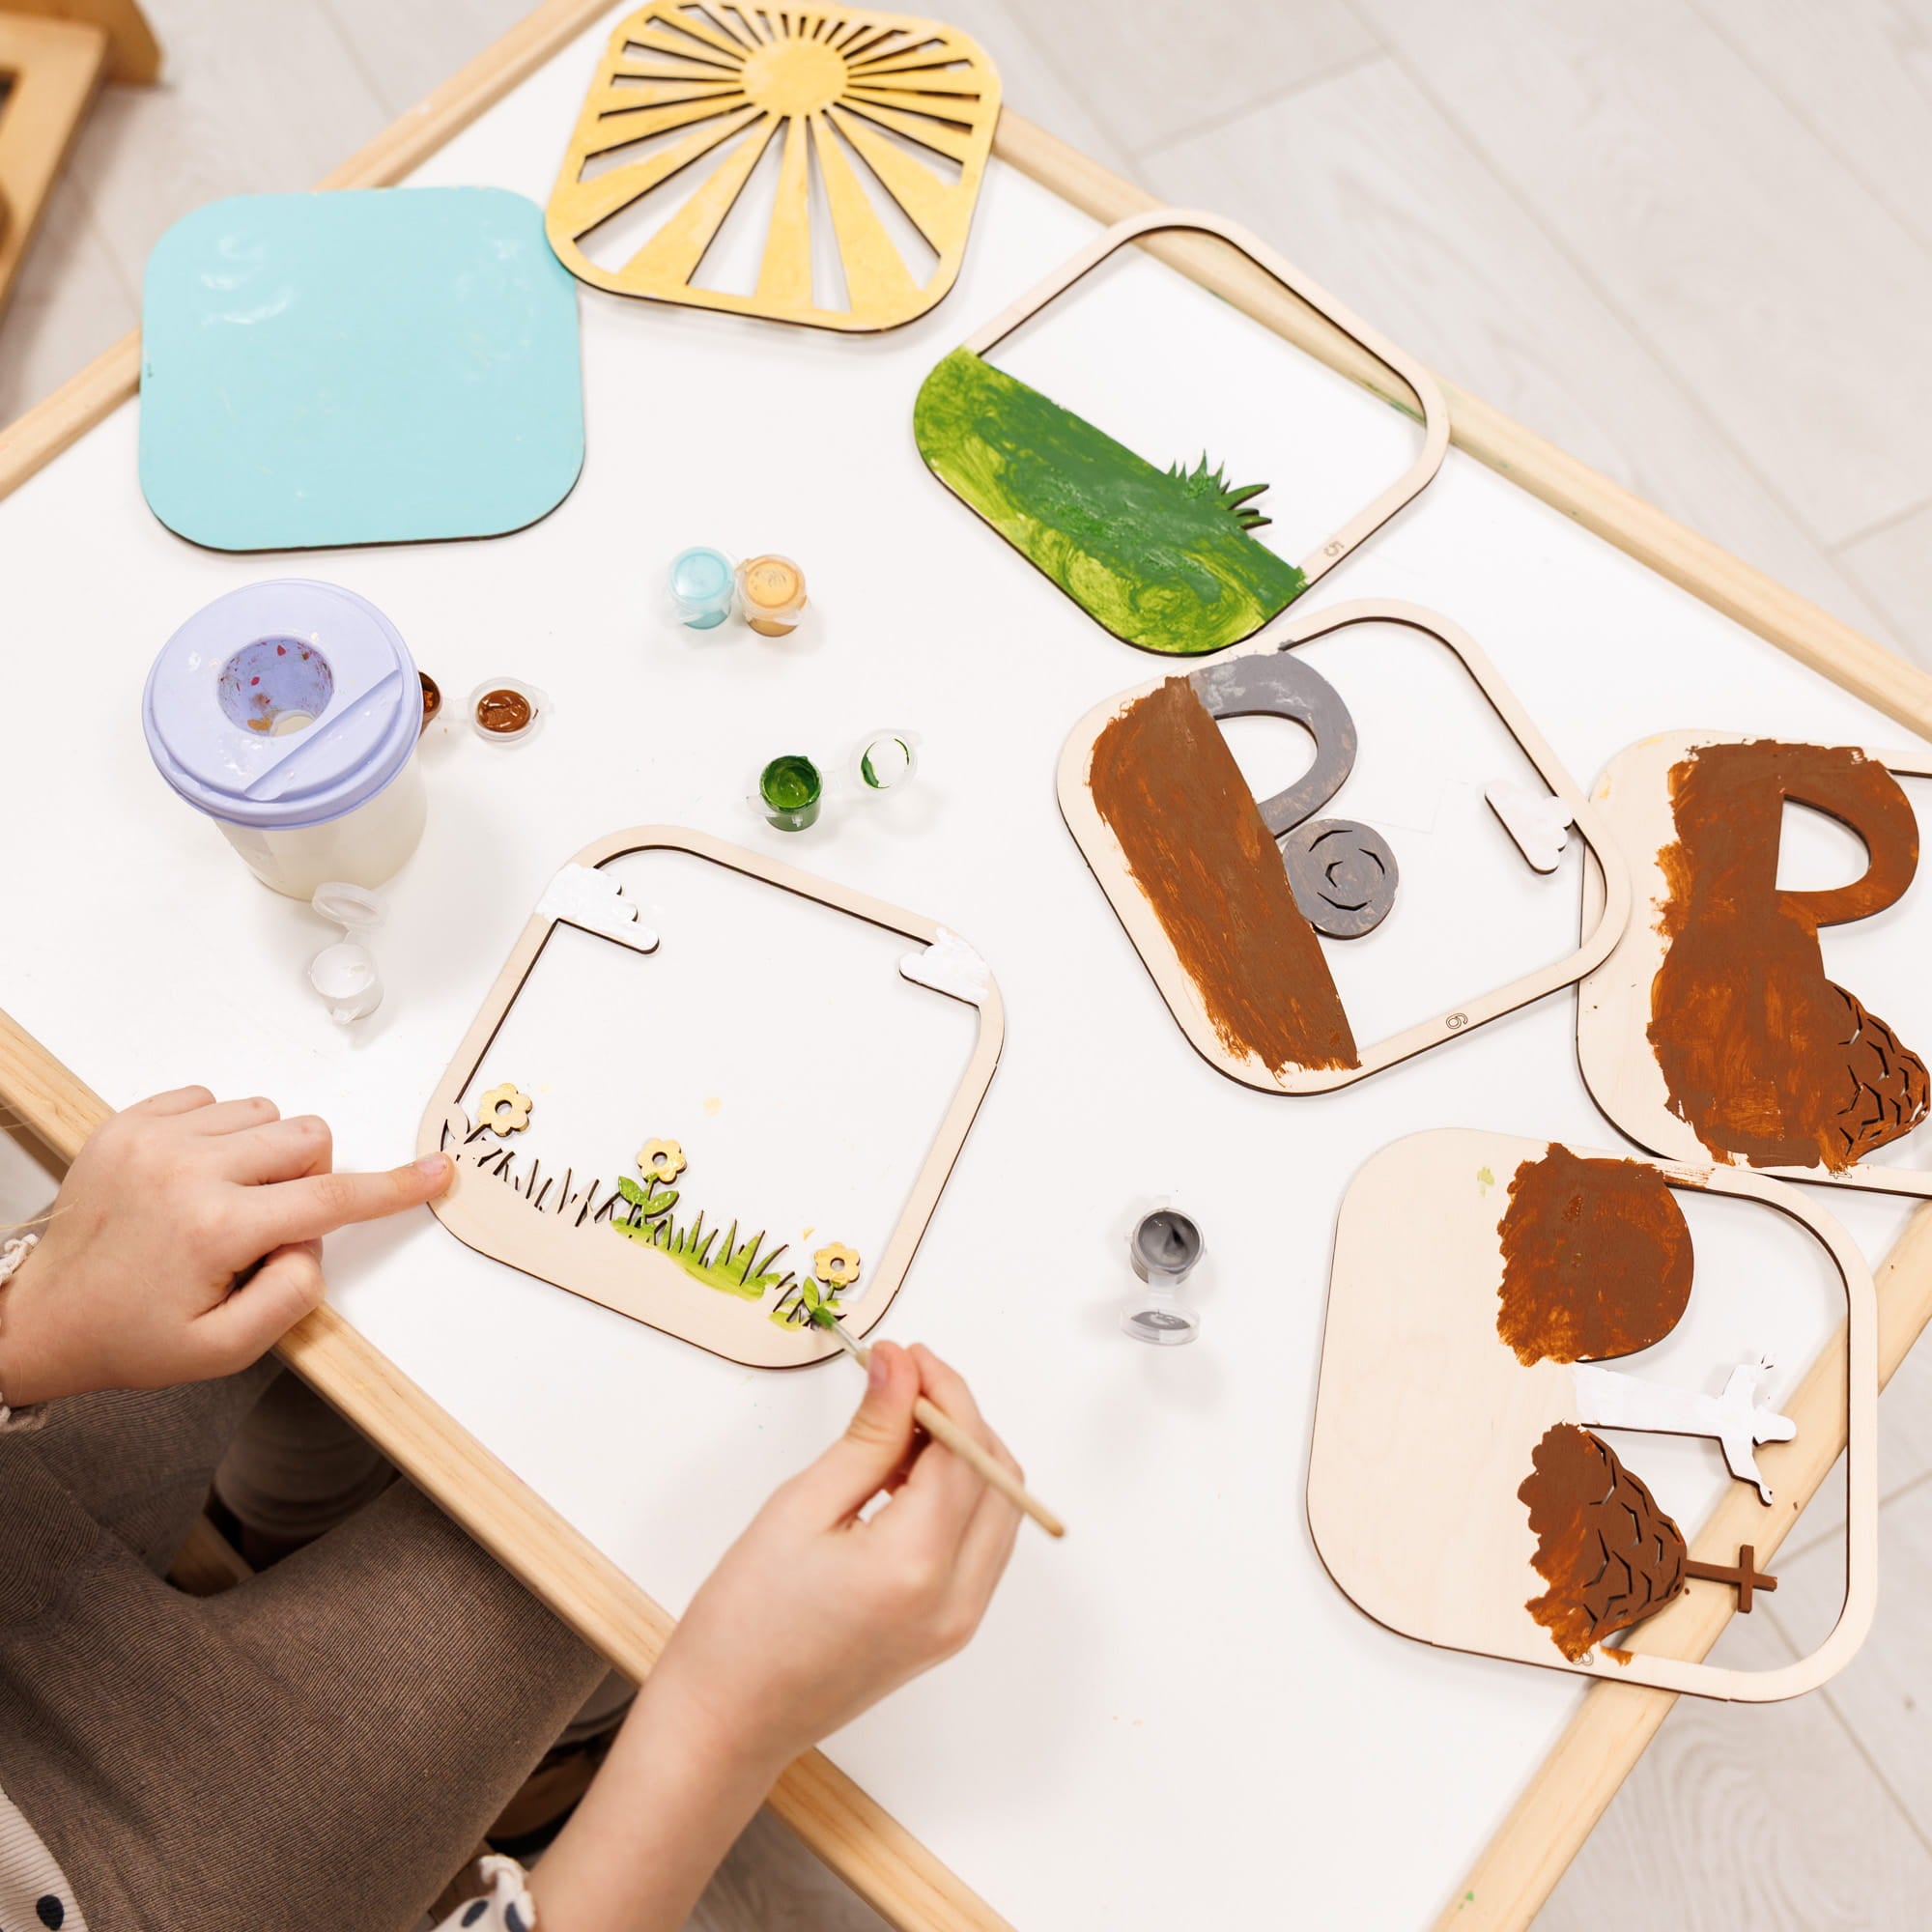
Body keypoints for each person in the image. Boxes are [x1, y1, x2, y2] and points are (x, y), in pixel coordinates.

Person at [0, 1087, 1022, 1931]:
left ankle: (281, 1538)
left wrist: (26, 1329)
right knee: (593, 1512)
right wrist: (720, 1720)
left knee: (294, 1244)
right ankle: (550, 1770)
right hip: (121, 1888)